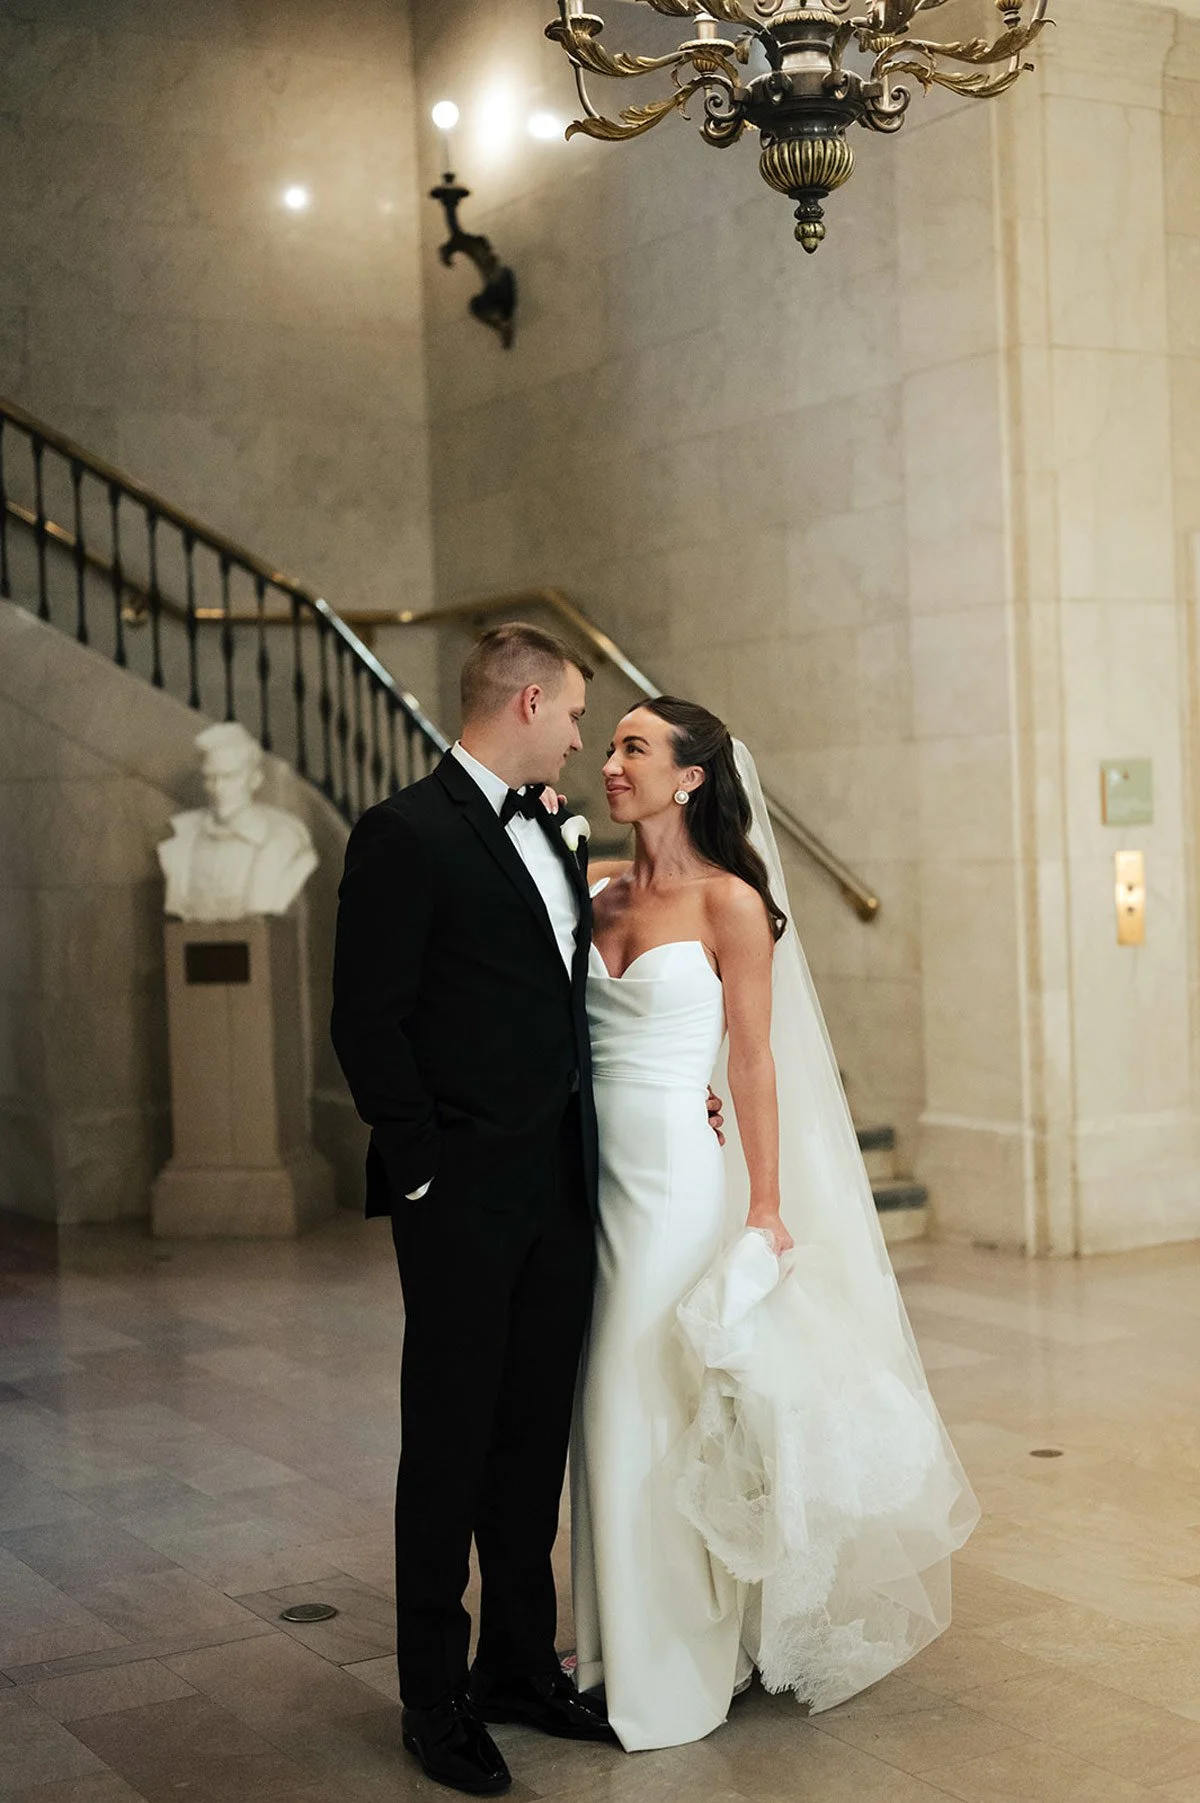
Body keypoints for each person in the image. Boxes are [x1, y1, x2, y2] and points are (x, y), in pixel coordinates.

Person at [571, 696, 979, 1752]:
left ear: (692, 776)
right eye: (608, 744)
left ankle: (675, 1655)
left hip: (675, 1185)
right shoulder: (590, 888)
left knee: (650, 1392)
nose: (611, 763)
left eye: (633, 748)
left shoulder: (731, 905)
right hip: (587, 1178)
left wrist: (763, 1204)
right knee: (597, 1403)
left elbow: (751, 1057)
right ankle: (611, 1636)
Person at [330, 624, 613, 1797]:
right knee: (447, 1442)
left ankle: (514, 1665)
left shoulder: (555, 827)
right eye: (577, 713)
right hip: (461, 1199)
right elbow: (367, 1019)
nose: (583, 734)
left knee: (530, 1434)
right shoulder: (404, 833)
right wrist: (424, 1169)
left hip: (558, 1186)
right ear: (531, 701)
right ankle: (433, 1697)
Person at [158, 720, 317, 921]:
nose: (218, 788)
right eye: (210, 778)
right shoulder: (179, 839)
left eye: (229, 777)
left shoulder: (285, 841)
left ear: (255, 779)